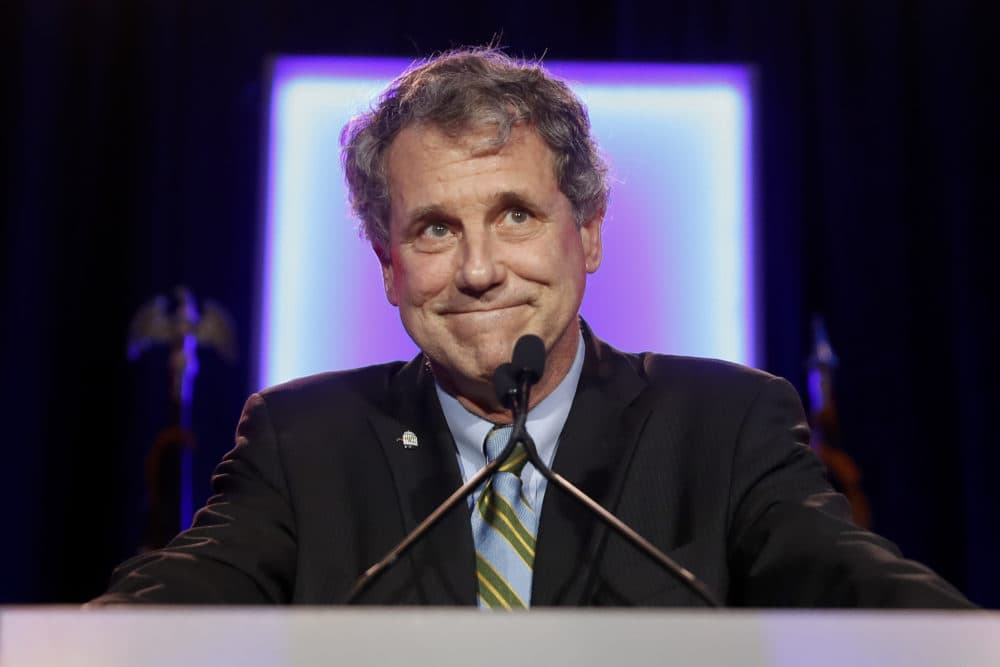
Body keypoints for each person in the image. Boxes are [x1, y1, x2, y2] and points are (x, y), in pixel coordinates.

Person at [93, 47, 972, 608]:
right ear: (388, 262)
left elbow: (853, 583)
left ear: (586, 232)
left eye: (515, 215)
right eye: (435, 228)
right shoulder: (302, 440)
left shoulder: (726, 424)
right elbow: (183, 594)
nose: (478, 269)